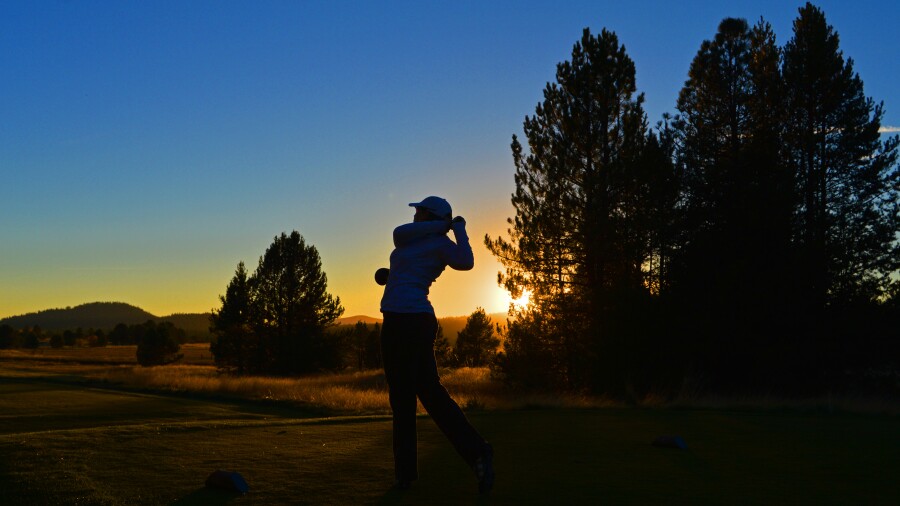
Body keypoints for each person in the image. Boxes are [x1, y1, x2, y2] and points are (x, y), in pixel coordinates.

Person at [378, 195, 495, 494]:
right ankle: (406, 474)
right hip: (394, 320)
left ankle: (476, 452)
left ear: (430, 215)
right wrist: (440, 224)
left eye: (419, 211)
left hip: (414, 321)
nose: (414, 215)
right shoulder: (408, 238)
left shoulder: (442, 245)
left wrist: (457, 229)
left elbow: (466, 262)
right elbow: (398, 233)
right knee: (403, 399)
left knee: (427, 394)